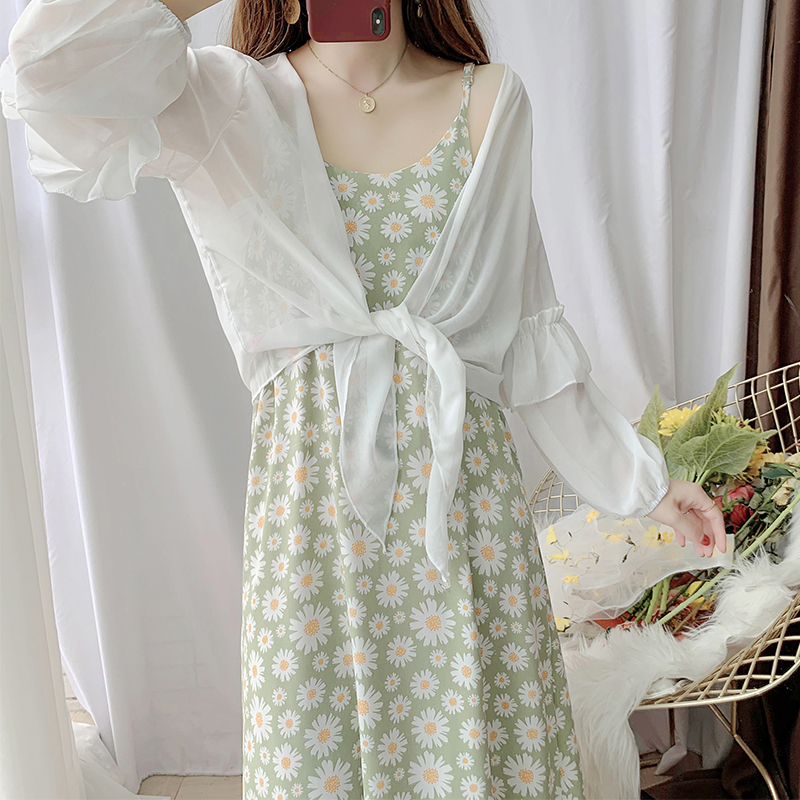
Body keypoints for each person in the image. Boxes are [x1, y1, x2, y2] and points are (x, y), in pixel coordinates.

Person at [1, 1, 726, 798]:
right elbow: (46, 74)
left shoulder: (491, 99)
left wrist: (646, 487)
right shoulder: (227, 104)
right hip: (312, 546)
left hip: (470, 540)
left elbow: (529, 339)